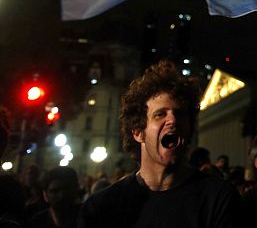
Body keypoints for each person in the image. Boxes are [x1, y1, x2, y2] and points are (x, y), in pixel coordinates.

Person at [78, 60, 241, 228]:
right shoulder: (102, 206)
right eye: (160, 114)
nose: (173, 120)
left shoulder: (219, 199)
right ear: (138, 132)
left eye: (180, 113)